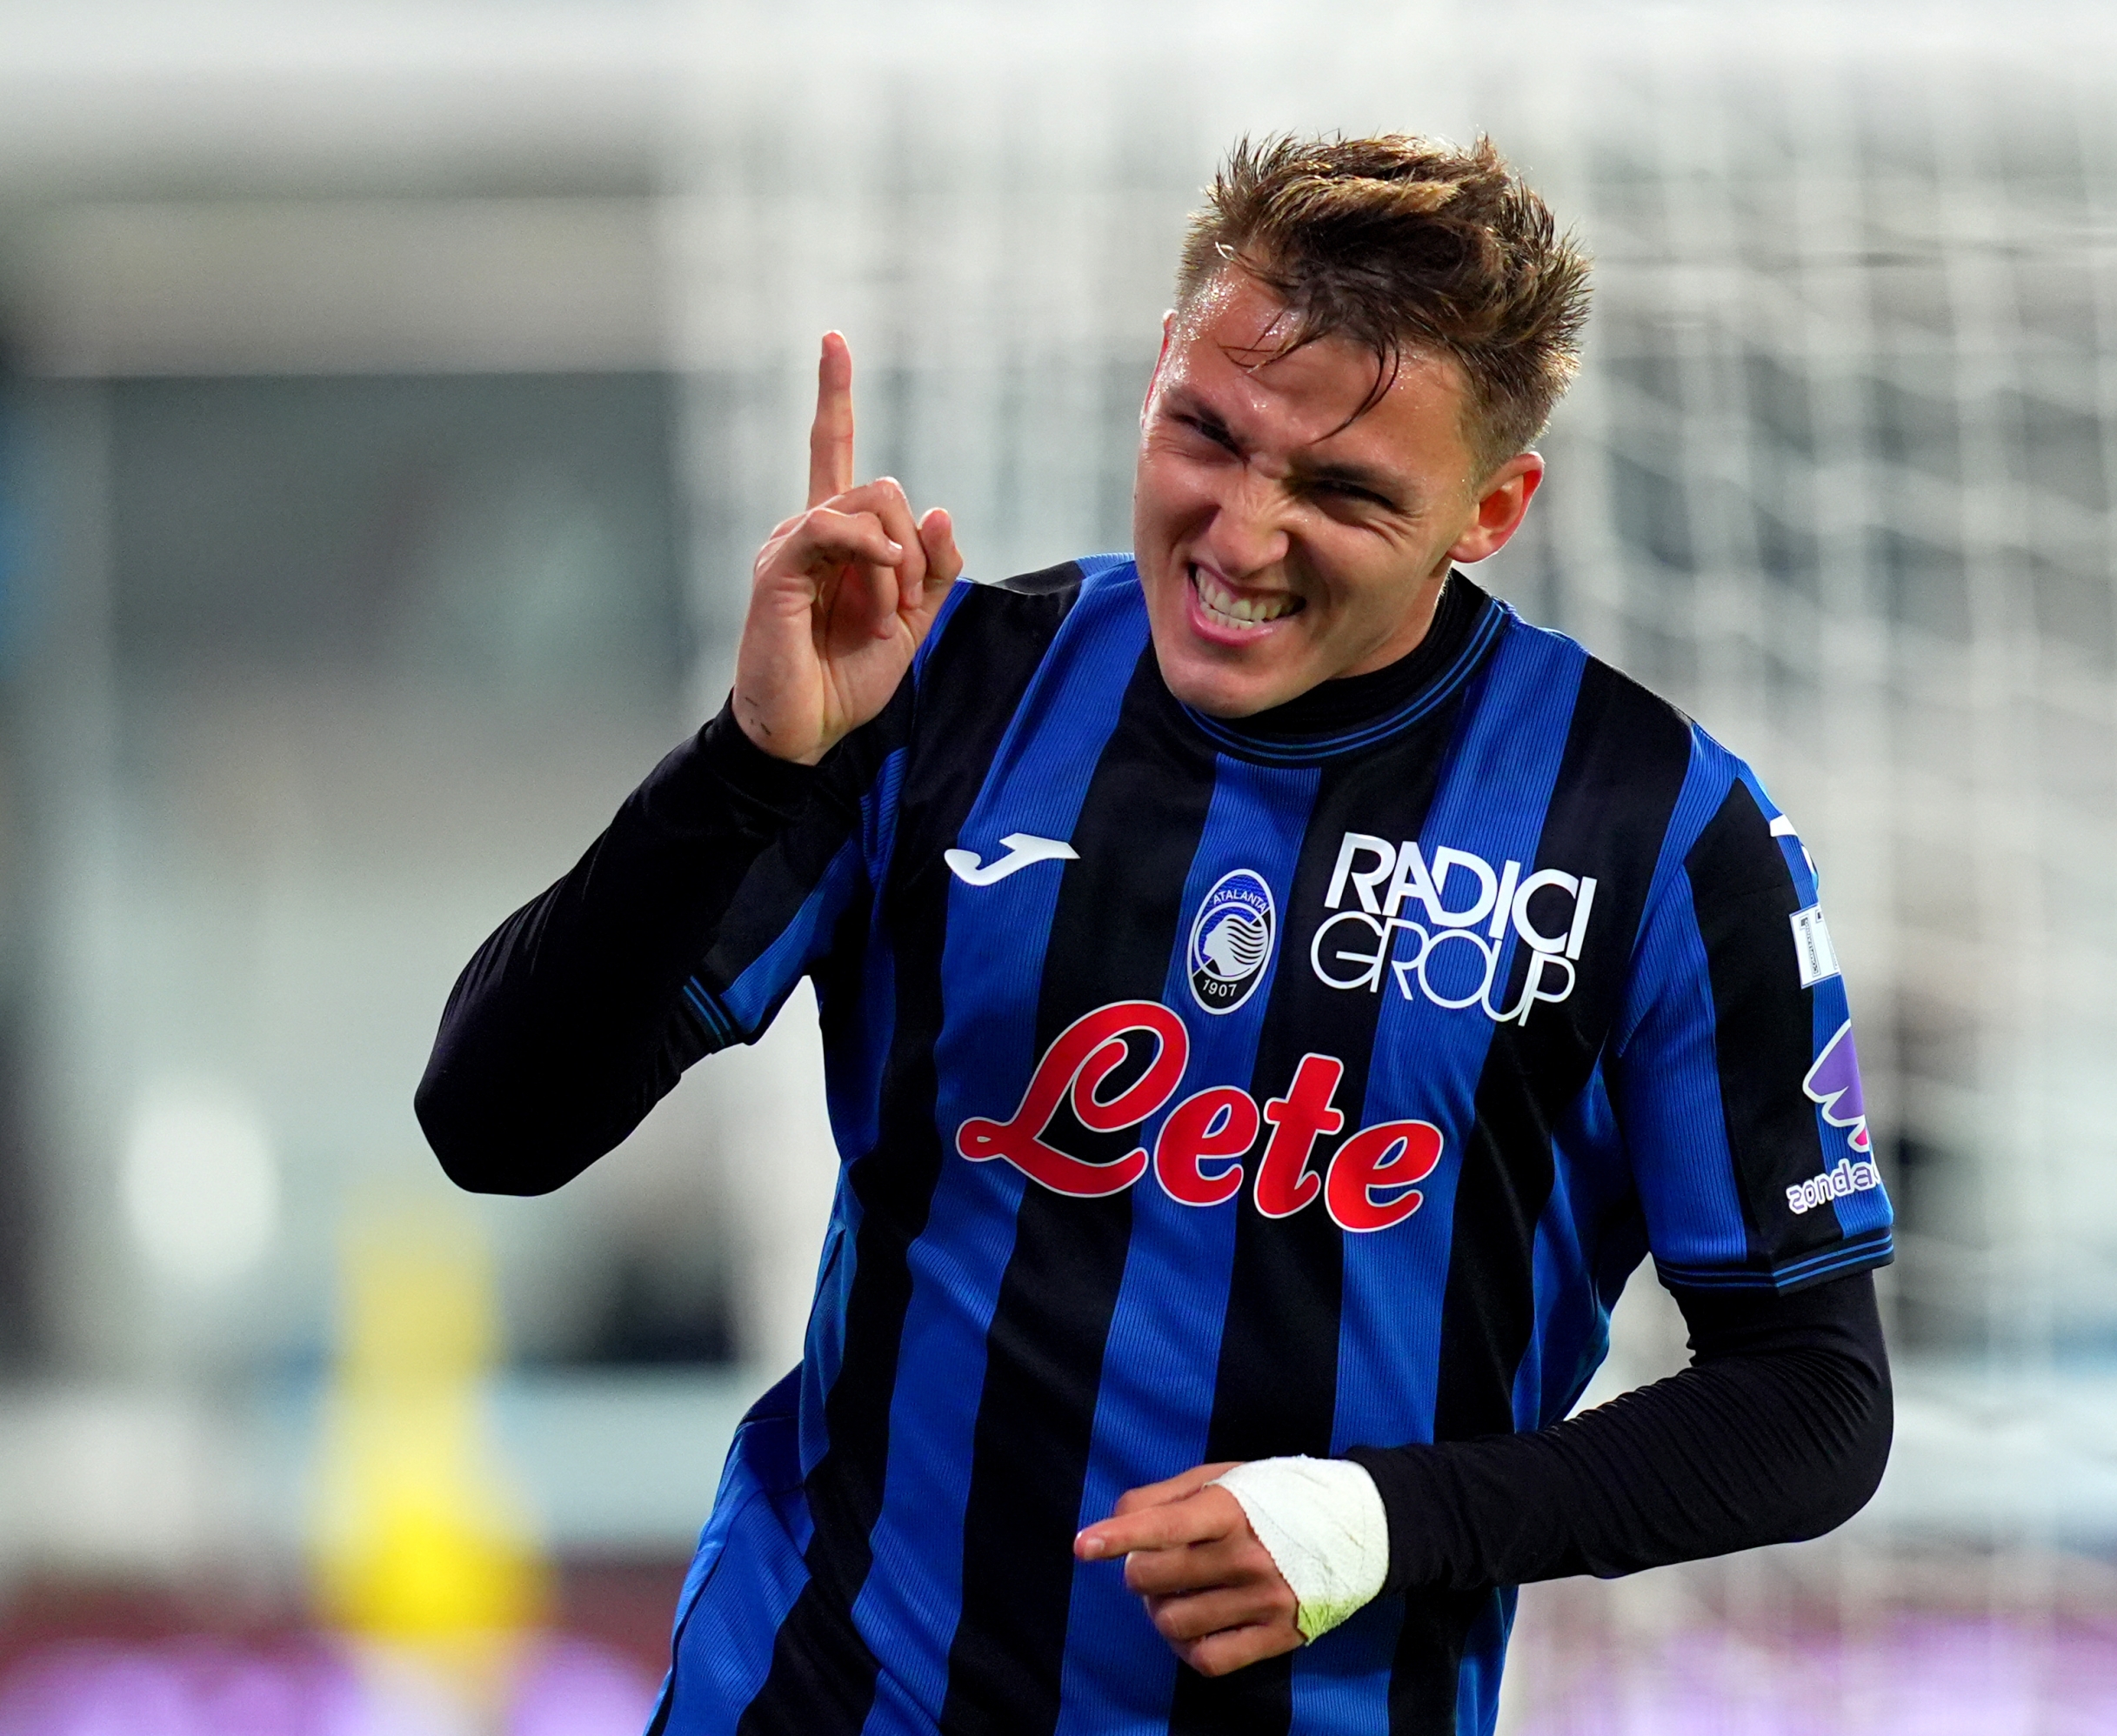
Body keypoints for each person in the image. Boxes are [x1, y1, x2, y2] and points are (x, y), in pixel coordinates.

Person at [417, 133, 1893, 1736]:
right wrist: (748, 765)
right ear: (1156, 382)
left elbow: (1812, 1402)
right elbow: (495, 1124)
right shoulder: (941, 688)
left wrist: (1387, 1522)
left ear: (1492, 507)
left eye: (1338, 489)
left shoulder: (1659, 830)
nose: (1239, 535)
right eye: (1206, 434)